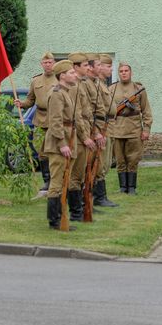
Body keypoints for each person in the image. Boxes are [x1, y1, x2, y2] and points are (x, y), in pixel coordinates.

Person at [43, 60, 79, 229]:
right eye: (72, 72)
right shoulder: (57, 93)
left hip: (68, 140)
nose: (75, 75)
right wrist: (63, 144)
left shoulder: (65, 92)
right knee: (57, 182)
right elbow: (55, 121)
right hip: (59, 144)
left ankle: (60, 217)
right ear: (62, 76)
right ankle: (54, 220)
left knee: (64, 180)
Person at [108, 62, 152, 195]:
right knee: (120, 160)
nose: (124, 73)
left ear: (130, 72)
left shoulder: (138, 89)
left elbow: (146, 111)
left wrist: (146, 129)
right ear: (118, 73)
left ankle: (132, 187)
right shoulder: (112, 89)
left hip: (134, 129)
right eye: (121, 71)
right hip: (117, 129)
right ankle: (123, 187)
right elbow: (107, 111)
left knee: (133, 159)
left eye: (126, 70)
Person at [66, 53, 97, 220]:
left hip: (84, 129)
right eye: (85, 65)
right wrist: (85, 136)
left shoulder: (81, 84)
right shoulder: (73, 86)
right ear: (76, 67)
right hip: (78, 134)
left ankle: (80, 209)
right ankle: (75, 212)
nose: (88, 67)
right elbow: (77, 114)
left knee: (81, 174)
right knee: (75, 175)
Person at [22, 52, 56, 192]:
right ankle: (47, 181)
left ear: (54, 63)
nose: (47, 65)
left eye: (50, 62)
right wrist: (21, 104)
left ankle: (56, 180)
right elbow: (30, 100)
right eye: (45, 62)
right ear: (41, 64)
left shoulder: (60, 78)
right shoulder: (36, 81)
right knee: (41, 151)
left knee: (54, 150)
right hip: (40, 119)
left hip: (55, 118)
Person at [91, 55, 118, 207]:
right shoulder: (96, 85)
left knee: (106, 162)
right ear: (100, 67)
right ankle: (99, 197)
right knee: (101, 162)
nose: (111, 69)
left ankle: (101, 196)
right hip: (101, 125)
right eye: (108, 66)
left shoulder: (102, 84)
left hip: (108, 125)